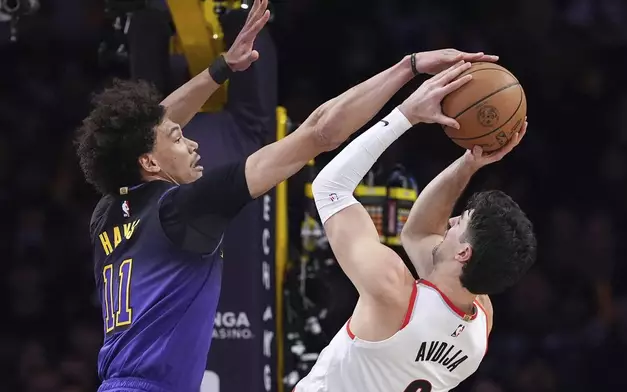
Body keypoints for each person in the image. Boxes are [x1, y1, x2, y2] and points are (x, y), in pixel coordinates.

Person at [75, 0, 499, 389]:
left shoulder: (108, 210)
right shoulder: (186, 208)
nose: (193, 141)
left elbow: (148, 130)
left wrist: (222, 68)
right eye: (179, 139)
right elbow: (319, 132)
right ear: (150, 164)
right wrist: (408, 72)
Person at [298, 63, 536, 391]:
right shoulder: (480, 322)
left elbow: (330, 188)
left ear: (464, 252)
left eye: (459, 223)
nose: (450, 222)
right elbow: (420, 233)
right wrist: (469, 163)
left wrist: (406, 114)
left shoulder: (393, 291)